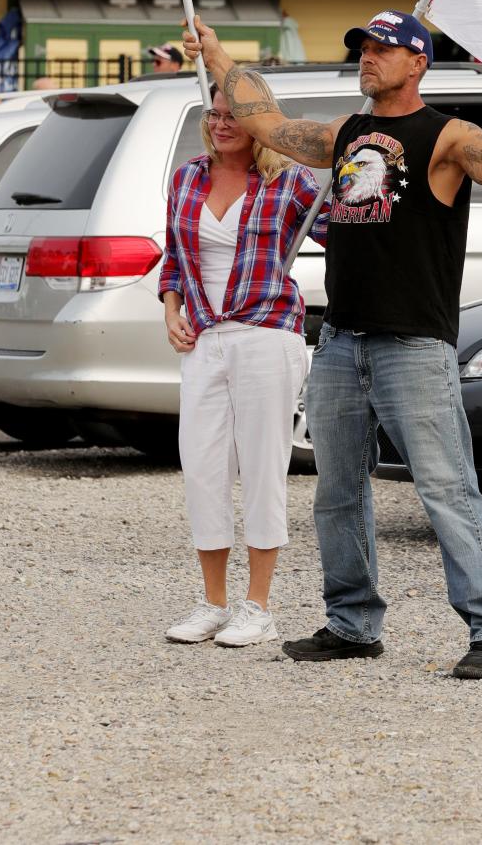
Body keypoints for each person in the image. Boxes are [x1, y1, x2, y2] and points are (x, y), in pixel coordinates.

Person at [183, 8, 482, 680]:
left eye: (384, 47)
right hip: (340, 342)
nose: (369, 56)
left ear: (418, 61)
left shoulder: (446, 137)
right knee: (336, 489)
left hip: (413, 345)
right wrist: (218, 56)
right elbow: (267, 122)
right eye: (363, 46)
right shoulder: (345, 133)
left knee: (447, 487)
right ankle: (352, 622)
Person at [159, 84, 321, 648]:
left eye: (234, 115)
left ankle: (258, 606)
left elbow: (344, 227)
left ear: (260, 120)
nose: (221, 124)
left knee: (262, 466)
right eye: (214, 114)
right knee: (202, 466)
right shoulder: (187, 178)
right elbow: (175, 259)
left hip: (266, 334)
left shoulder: (291, 179)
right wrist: (172, 310)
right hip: (204, 338)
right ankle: (213, 603)